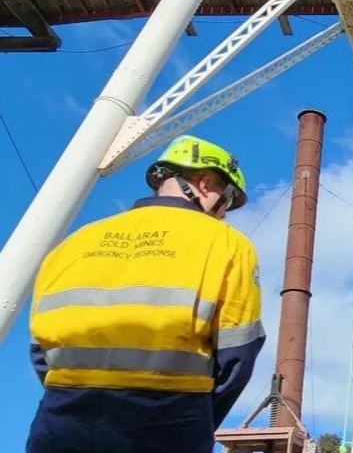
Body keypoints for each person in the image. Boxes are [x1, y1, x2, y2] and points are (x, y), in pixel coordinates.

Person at [26, 135, 266, 453]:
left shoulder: (74, 243)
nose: (225, 213)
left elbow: (40, 351)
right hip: (168, 419)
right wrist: (196, 420)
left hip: (61, 419)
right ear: (206, 183)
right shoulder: (227, 244)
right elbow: (238, 354)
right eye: (228, 199)